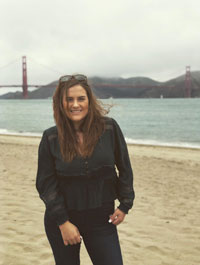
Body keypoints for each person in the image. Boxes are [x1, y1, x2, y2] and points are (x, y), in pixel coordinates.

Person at [36, 74, 135, 265]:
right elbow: (45, 184)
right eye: (69, 99)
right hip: (63, 220)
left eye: (81, 98)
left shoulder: (109, 128)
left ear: (89, 100)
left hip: (101, 220)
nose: (75, 105)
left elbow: (124, 167)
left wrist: (125, 204)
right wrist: (63, 223)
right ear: (61, 103)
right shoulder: (50, 138)